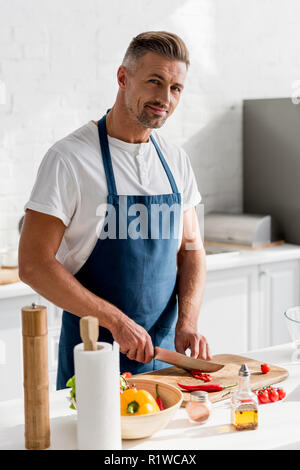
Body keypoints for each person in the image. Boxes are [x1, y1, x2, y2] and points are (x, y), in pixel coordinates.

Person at [19, 31, 211, 390]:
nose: (164, 98)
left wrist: (188, 323)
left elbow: (192, 250)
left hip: (166, 365)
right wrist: (116, 322)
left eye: (176, 88)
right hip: (93, 360)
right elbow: (33, 264)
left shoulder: (175, 160)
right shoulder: (70, 159)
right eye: (155, 81)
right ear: (123, 78)